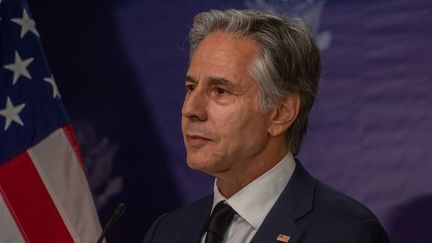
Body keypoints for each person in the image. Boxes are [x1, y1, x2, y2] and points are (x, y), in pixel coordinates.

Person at [143, 9, 389, 243]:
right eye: (190, 87)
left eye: (220, 90)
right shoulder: (167, 231)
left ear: (280, 114)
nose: (190, 110)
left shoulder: (346, 233)